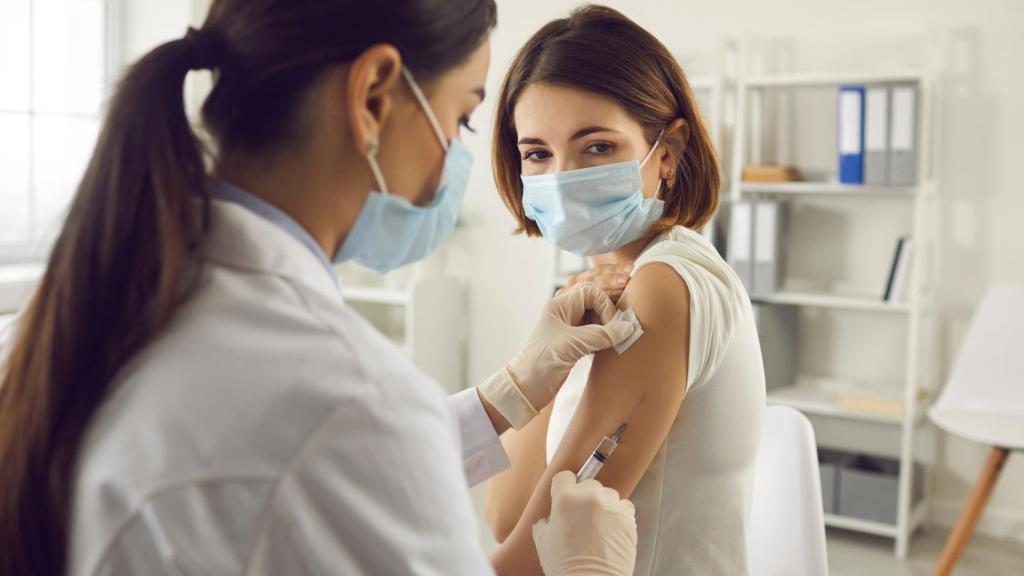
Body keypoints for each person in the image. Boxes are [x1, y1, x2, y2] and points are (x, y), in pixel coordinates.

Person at [0, 1, 640, 575]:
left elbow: (293, 467)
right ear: (373, 96)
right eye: (462, 118)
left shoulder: (67, 316)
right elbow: (333, 452)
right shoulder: (350, 402)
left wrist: (509, 391)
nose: (454, 154)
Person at [485, 5, 767, 575]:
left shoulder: (665, 286)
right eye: (537, 153)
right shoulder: (590, 294)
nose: (560, 179)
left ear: (667, 152)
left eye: (596, 147)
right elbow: (505, 514)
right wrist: (533, 375)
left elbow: (531, 556)